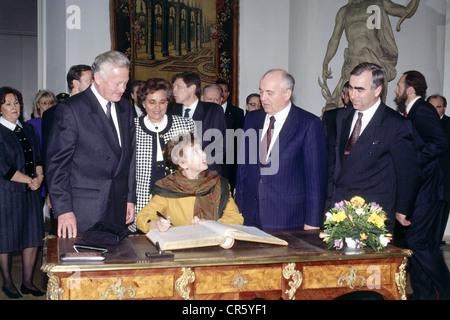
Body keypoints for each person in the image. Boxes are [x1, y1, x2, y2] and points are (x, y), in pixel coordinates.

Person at [46, 51, 136, 238]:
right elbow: (57, 165)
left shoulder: (125, 108)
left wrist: (129, 198)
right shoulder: (71, 109)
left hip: (117, 208)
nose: (123, 89)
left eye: (125, 82)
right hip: (83, 212)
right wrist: (63, 210)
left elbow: (130, 158)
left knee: (114, 265)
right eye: (117, 83)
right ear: (98, 78)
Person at [326, 63, 418, 242]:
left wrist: (402, 209)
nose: (352, 95)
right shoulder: (342, 117)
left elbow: (407, 172)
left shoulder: (396, 124)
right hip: (339, 208)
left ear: (378, 91)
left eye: (360, 89)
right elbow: (335, 163)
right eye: (350, 88)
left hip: (372, 213)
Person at [235, 69, 328, 231]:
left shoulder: (309, 123)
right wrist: (239, 209)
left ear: (287, 94)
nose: (263, 98)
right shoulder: (252, 118)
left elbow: (315, 180)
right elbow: (244, 168)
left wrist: (312, 223)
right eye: (261, 91)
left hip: (287, 218)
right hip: (250, 215)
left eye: (269, 93)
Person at [394, 71, 450, 300]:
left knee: (417, 240)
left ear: (410, 89)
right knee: (418, 242)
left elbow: (440, 142)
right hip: (424, 189)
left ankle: (446, 290)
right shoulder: (413, 112)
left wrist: (411, 160)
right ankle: (424, 293)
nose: (395, 90)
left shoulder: (422, 110)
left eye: (398, 85)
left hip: (430, 189)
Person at [320, 0, 419, 110]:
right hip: (353, 59)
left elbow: (406, 11)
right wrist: (325, 62)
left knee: (374, 102)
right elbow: (335, 39)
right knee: (340, 101)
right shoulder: (344, 11)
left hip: (373, 58)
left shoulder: (377, 3)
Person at [136, 132, 243, 233]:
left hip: (215, 245)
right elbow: (143, 217)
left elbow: (235, 217)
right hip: (180, 247)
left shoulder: (218, 183)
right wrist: (157, 224)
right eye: (195, 151)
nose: (204, 154)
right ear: (182, 163)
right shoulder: (168, 187)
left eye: (200, 149)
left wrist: (210, 226)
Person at [132, 78, 196, 232]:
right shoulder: (132, 128)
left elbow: (192, 165)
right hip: (142, 201)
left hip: (177, 199)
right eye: (152, 102)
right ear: (143, 103)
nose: (157, 107)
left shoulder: (185, 125)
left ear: (168, 102)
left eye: (162, 102)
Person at [0, 87, 45, 298]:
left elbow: (38, 157)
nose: (14, 107)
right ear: (0, 108)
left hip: (31, 191)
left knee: (32, 235)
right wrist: (30, 180)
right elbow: (4, 168)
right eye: (8, 103)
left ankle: (28, 281)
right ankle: (8, 282)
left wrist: (40, 176)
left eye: (17, 102)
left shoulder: (28, 129)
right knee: (6, 238)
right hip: (7, 193)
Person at [168, 72, 226, 174]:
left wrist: (202, 169)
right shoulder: (171, 113)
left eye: (178, 87)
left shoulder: (213, 110)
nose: (174, 91)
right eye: (173, 87)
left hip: (206, 172)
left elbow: (220, 145)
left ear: (192, 88)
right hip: (178, 174)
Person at [427, 94, 450, 244]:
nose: (435, 111)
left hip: (445, 182)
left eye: (439, 107)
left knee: (440, 218)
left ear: (444, 108)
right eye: (431, 107)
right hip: (424, 182)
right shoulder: (420, 123)